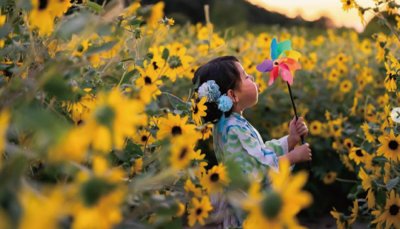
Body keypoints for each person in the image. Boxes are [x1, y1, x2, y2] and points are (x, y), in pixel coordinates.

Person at [191, 56, 312, 228]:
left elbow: (258, 153)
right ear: (232, 95)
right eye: (246, 76)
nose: (252, 78)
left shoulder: (228, 124)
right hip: (249, 214)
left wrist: (290, 140)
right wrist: (292, 157)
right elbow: (258, 170)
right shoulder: (234, 129)